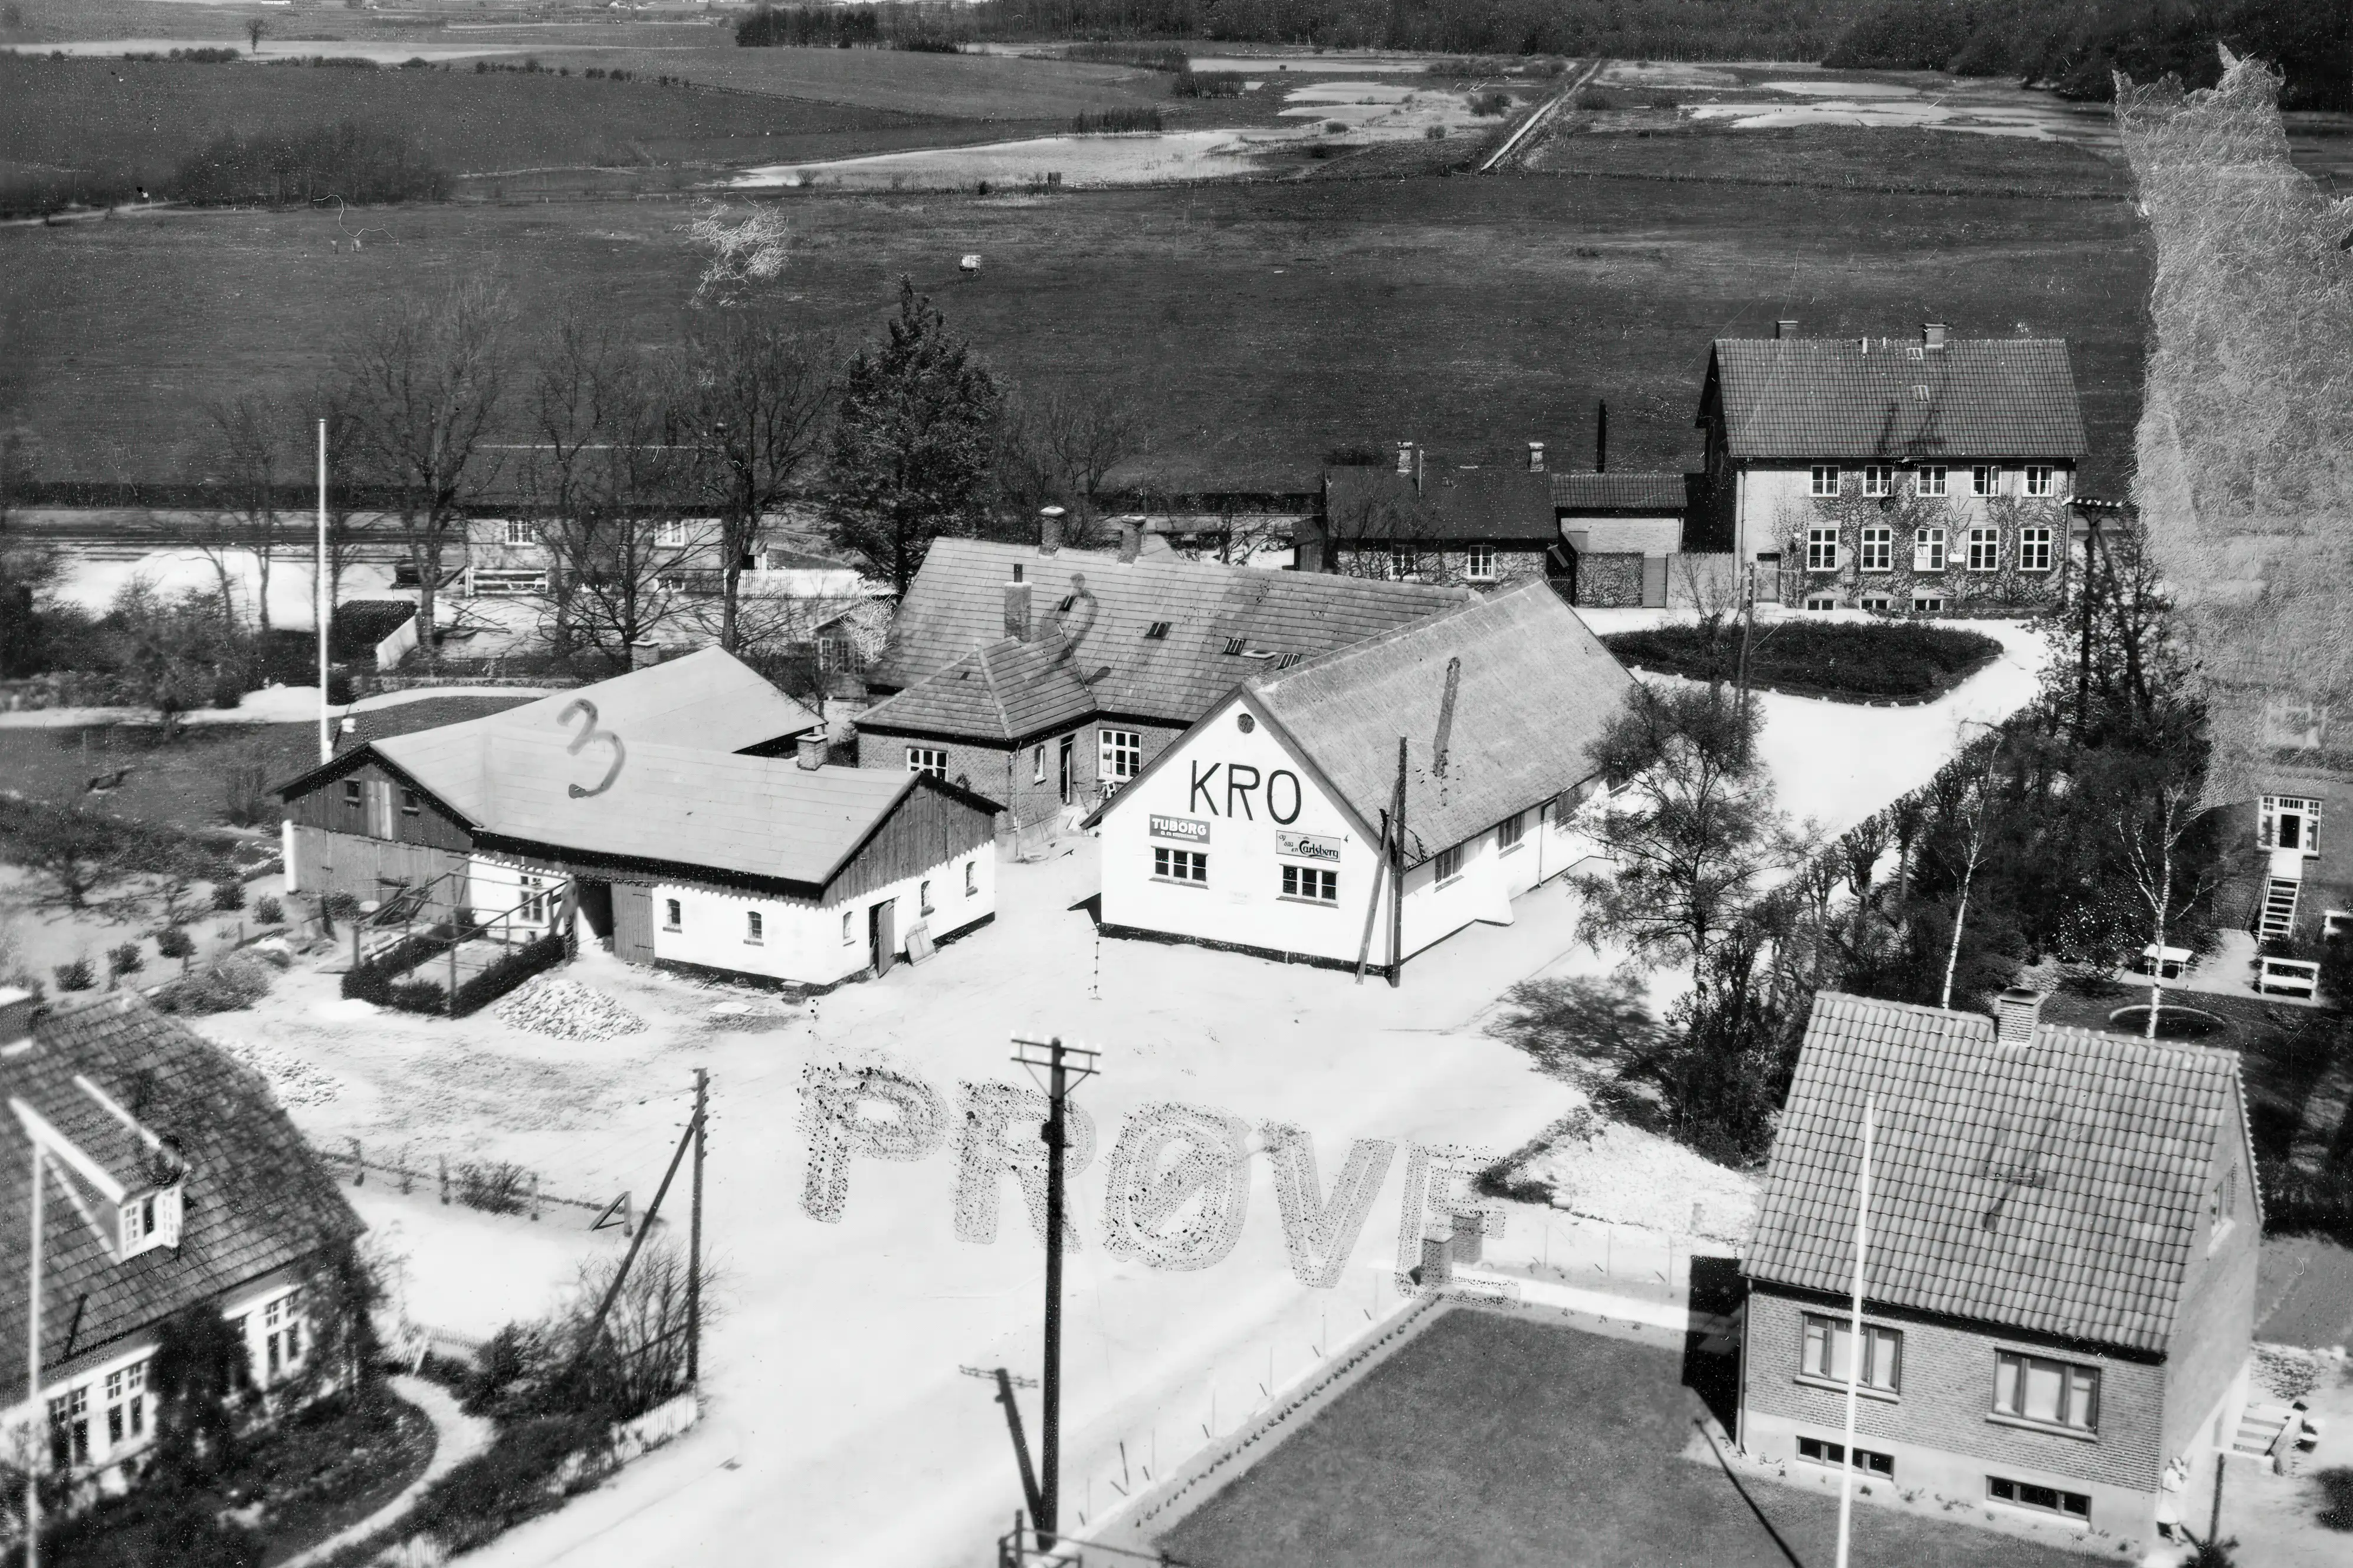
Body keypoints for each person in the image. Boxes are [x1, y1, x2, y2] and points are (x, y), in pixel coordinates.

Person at [2155, 1454, 2187, 1541]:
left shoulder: (2180, 1471)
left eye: (2178, 1463)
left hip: (2177, 1497)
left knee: (2178, 1518)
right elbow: (2166, 1485)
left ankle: (2179, 1535)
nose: (2175, 1465)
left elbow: (2184, 1482)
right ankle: (2175, 1538)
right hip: (2169, 1497)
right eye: (2174, 1463)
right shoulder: (2169, 1472)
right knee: (2172, 1519)